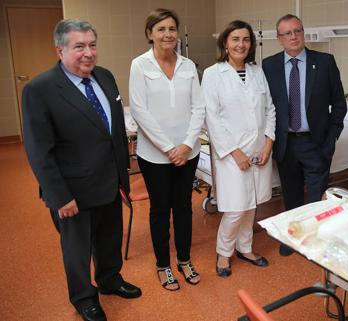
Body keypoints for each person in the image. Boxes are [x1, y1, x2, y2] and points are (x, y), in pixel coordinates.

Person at [22, 19, 141, 321]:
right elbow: (39, 152)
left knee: (109, 239)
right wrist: (59, 196)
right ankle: (83, 297)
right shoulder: (41, 89)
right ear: (60, 49)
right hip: (72, 190)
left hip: (110, 181)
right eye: (79, 46)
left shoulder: (105, 76)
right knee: (77, 251)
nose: (88, 53)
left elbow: (112, 132)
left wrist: (122, 177)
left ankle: (110, 279)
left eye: (92, 45)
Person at [129, 8, 205, 291]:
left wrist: (186, 145)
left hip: (189, 151)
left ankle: (184, 260)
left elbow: (199, 107)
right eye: (161, 29)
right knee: (160, 210)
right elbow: (139, 109)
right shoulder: (140, 65)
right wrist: (169, 148)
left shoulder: (188, 65)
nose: (168, 34)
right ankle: (163, 265)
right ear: (150, 34)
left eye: (172, 28)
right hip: (155, 155)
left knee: (184, 208)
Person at [262, 14, 347, 256]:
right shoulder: (269, 66)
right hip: (286, 143)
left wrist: (331, 138)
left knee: (315, 197)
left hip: (316, 142)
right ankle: (292, 238)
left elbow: (339, 105)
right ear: (279, 39)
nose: (293, 36)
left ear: (303, 33)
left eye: (297, 31)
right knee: (291, 195)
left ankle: (314, 240)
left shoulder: (324, 62)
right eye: (287, 33)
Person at [202, 20, 276, 278]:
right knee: (235, 207)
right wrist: (235, 151)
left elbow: (270, 109)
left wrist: (269, 142)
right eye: (235, 39)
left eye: (245, 40)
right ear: (225, 43)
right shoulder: (213, 74)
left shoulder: (257, 72)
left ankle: (245, 248)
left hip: (258, 150)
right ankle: (224, 252)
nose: (241, 44)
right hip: (231, 154)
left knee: (251, 204)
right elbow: (211, 117)